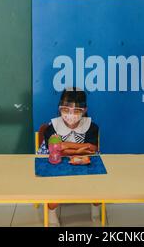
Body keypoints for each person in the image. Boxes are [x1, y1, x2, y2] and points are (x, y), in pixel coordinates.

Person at [37, 87, 100, 226]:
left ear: (84, 110)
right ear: (60, 109)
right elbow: (53, 152)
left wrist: (64, 145)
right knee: (53, 198)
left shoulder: (91, 127)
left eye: (76, 111)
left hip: (84, 167)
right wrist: (79, 148)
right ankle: (52, 213)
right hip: (57, 166)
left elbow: (93, 149)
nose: (70, 115)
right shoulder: (52, 127)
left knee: (97, 192)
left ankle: (95, 209)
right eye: (66, 110)